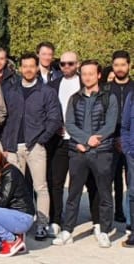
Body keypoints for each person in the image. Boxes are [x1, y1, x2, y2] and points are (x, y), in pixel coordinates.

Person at [54, 60, 118, 248]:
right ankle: (68, 230)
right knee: (73, 193)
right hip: (79, 153)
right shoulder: (75, 98)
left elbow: (110, 125)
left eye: (91, 73)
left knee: (105, 193)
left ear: (99, 75)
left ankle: (104, 231)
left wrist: (92, 143)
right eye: (84, 74)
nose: (87, 77)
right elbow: (70, 124)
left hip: (102, 152)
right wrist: (84, 141)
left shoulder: (109, 98)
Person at [0, 53, 62, 240]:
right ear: (19, 68)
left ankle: (42, 224)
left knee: (40, 187)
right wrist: (5, 143)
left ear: (37, 68)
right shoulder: (11, 90)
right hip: (12, 147)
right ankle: (16, 224)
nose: (27, 69)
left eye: (31, 66)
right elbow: (4, 117)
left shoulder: (46, 92)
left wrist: (42, 139)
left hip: (35, 146)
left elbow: (54, 118)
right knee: (13, 188)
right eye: (24, 66)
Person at [46, 51, 80, 234]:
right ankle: (56, 219)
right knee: (56, 181)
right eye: (63, 63)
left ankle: (97, 222)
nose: (66, 67)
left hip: (80, 140)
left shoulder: (86, 83)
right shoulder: (52, 85)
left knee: (81, 182)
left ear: (77, 64)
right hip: (59, 140)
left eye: (70, 63)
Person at [104, 51, 132, 227]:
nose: (120, 68)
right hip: (111, 138)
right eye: (116, 65)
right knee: (110, 179)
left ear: (129, 65)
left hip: (131, 140)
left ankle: (131, 218)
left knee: (131, 180)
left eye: (123, 64)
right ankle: (113, 214)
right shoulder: (106, 89)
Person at [121, 91, 134, 246]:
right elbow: (124, 126)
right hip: (133, 153)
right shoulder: (132, 96)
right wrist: (128, 148)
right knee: (132, 192)